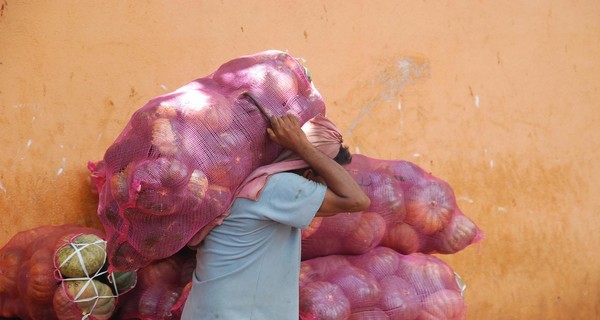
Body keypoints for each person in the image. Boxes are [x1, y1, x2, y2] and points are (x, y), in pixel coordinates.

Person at [181, 113, 371, 320]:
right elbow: (356, 200)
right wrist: (302, 146)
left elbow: (344, 204)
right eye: (328, 182)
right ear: (308, 175)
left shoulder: (260, 185)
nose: (330, 189)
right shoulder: (278, 187)